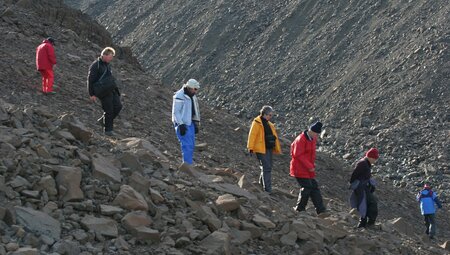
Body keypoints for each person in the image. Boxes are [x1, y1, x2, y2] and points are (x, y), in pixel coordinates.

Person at [290, 121, 327, 215]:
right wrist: (310, 166)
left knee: (314, 186)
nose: (317, 136)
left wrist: (311, 166)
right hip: (299, 168)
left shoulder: (312, 139)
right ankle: (299, 208)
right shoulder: (301, 139)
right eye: (317, 134)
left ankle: (321, 209)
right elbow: (298, 155)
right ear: (311, 131)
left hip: (307, 169)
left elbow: (311, 154)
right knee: (307, 187)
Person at [87, 47, 122, 136]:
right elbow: (90, 80)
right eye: (110, 56)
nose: (111, 58)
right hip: (103, 92)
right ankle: (108, 130)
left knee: (118, 106)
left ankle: (103, 121)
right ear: (104, 55)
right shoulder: (96, 65)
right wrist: (92, 94)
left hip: (112, 89)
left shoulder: (107, 64)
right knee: (109, 110)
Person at [247, 106, 281, 193]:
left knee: (266, 167)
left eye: (271, 115)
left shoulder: (269, 124)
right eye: (269, 115)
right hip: (261, 149)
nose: (271, 117)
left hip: (268, 148)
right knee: (267, 168)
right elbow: (252, 135)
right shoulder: (257, 122)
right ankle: (267, 189)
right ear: (264, 114)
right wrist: (250, 148)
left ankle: (262, 185)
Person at [172, 79, 201, 167]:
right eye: (195, 89)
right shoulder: (180, 96)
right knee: (187, 145)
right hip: (182, 123)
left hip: (190, 122)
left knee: (191, 144)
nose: (196, 91)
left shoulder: (192, 95)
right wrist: (180, 124)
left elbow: (195, 109)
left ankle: (189, 163)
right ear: (189, 88)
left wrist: (196, 122)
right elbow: (176, 112)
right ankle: (187, 165)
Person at [349, 148, 379, 228]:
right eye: (374, 158)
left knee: (368, 203)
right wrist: (354, 184)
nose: (375, 160)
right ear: (370, 157)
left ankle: (366, 222)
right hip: (361, 188)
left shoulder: (366, 163)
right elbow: (354, 175)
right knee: (365, 204)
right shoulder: (363, 163)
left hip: (363, 187)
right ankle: (365, 223)